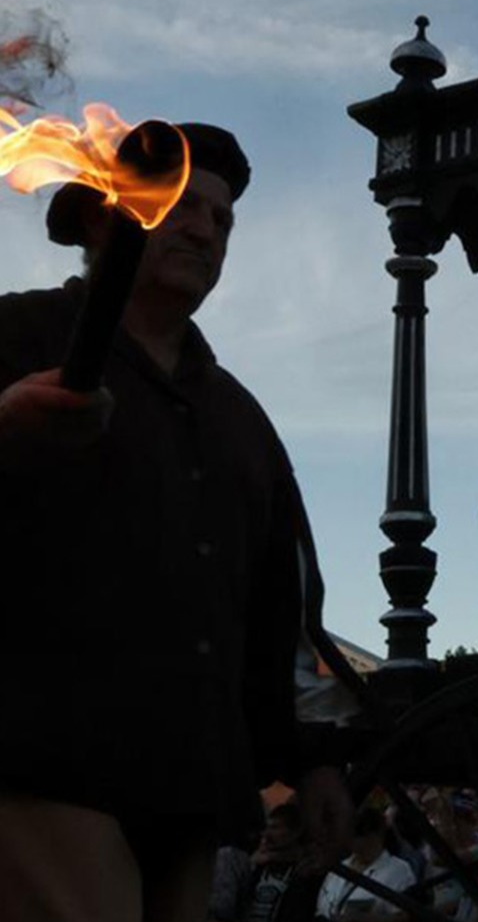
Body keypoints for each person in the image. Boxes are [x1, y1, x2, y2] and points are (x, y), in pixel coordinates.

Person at [0, 122, 352, 922]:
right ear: (103, 219)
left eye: (223, 219)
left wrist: (315, 759)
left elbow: (284, 607)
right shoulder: (17, 337)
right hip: (43, 754)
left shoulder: (239, 418)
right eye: (184, 205)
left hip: (188, 777)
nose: (205, 229)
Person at [315, 808, 417, 921]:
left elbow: (407, 917)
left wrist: (369, 919)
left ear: (375, 835)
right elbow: (321, 908)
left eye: (359, 836)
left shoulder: (399, 870)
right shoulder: (339, 869)